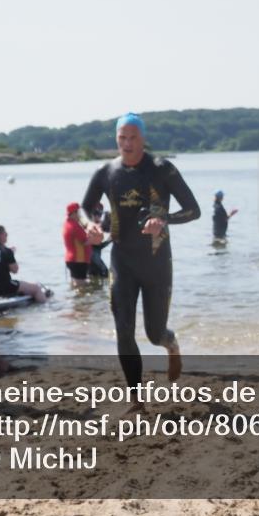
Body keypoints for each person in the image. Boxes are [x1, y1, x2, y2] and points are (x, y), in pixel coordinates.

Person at [82, 113, 200, 407]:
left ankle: (171, 345)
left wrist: (164, 219)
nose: (127, 143)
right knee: (123, 328)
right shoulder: (106, 172)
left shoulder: (162, 169)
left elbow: (193, 210)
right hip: (122, 259)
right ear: (116, 139)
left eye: (133, 137)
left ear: (143, 139)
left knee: (154, 333)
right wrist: (91, 225)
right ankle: (135, 398)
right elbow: (86, 207)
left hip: (157, 262)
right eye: (122, 137)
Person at [0, 225, 47, 302]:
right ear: (0, 236)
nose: (7, 236)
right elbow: (15, 270)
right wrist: (11, 254)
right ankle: (47, 308)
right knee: (37, 288)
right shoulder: (7, 251)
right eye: (5, 234)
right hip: (4, 286)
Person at [62, 202, 92, 283]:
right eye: (78, 212)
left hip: (72, 260)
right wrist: (94, 234)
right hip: (78, 260)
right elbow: (86, 241)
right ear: (73, 213)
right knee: (81, 286)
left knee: (75, 284)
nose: (80, 214)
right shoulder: (75, 226)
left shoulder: (67, 224)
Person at [88, 203, 112, 278]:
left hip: (94, 259)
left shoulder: (100, 225)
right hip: (92, 259)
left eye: (100, 214)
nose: (97, 216)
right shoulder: (89, 227)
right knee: (106, 274)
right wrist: (110, 240)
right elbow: (97, 246)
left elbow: (108, 229)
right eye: (95, 213)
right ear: (91, 214)